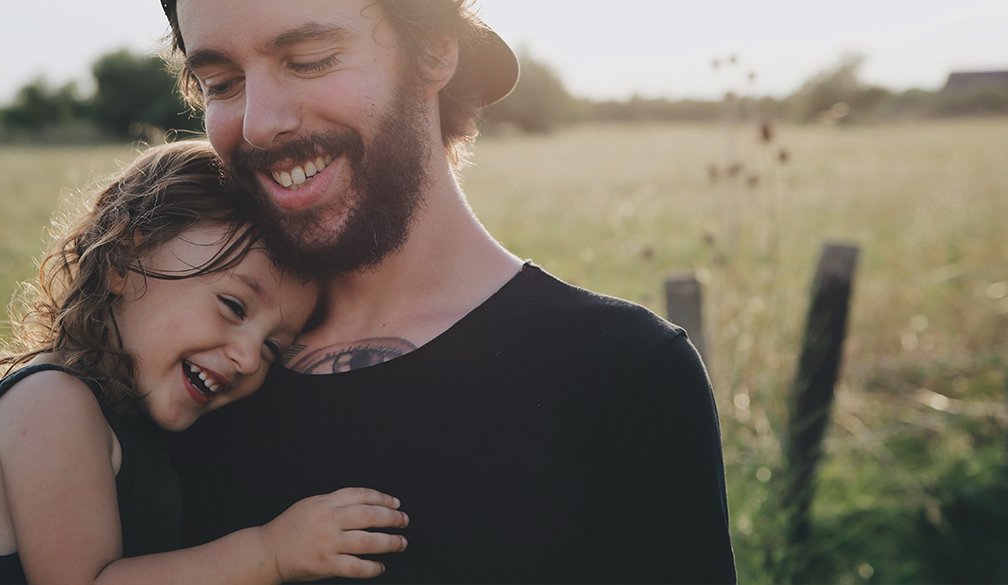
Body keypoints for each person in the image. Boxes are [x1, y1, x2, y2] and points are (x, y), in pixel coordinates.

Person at [161, 1, 738, 582]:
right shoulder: (178, 363)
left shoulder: (625, 375)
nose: (260, 123)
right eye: (222, 83)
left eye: (309, 60)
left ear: (434, 52)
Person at [0, 140, 410, 584]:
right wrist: (271, 553)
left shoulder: (127, 421)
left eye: (271, 348)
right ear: (122, 260)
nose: (246, 358)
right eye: (234, 306)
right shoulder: (52, 404)